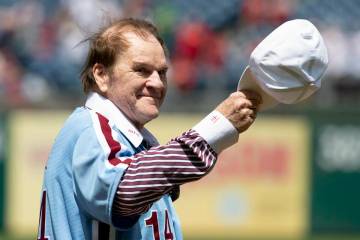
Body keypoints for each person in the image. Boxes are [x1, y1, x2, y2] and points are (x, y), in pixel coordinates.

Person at [37, 18, 261, 240]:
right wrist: (216, 128)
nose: (158, 83)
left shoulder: (126, 137)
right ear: (101, 75)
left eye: (161, 72)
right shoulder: (91, 127)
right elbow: (123, 194)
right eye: (141, 70)